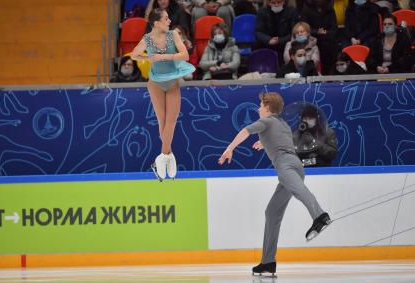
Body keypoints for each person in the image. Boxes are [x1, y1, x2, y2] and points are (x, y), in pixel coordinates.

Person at [218, 92, 331, 276]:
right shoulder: (282, 124)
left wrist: (229, 149)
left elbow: (245, 131)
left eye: (260, 105)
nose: (258, 108)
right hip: (294, 164)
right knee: (271, 212)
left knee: (298, 190)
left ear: (268, 108)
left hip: (285, 165)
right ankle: (268, 262)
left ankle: (320, 216)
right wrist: (264, 143)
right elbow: (281, 141)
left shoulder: (267, 121)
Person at [130, 8, 195, 180]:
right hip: (155, 83)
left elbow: (185, 55)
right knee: (162, 121)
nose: (169, 21)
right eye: (165, 19)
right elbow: (134, 54)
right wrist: (147, 58)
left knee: (171, 122)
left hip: (172, 82)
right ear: (156, 22)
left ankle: (162, 156)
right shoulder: (147, 39)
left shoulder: (173, 34)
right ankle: (169, 156)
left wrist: (163, 57)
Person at [299, 0, 338, 75]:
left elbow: (334, 28)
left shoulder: (330, 9)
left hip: (328, 40)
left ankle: (330, 76)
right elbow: (304, 27)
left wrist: (326, 32)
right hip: (312, 39)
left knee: (332, 47)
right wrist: (317, 31)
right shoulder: (306, 9)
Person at [254, 0, 298, 64]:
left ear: (284, 1)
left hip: (284, 43)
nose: (276, 5)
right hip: (267, 43)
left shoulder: (292, 11)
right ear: (269, 3)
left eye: (279, 2)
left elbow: (294, 32)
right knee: (256, 44)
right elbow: (258, 32)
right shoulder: (262, 11)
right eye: (273, 3)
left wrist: (280, 40)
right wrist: (268, 40)